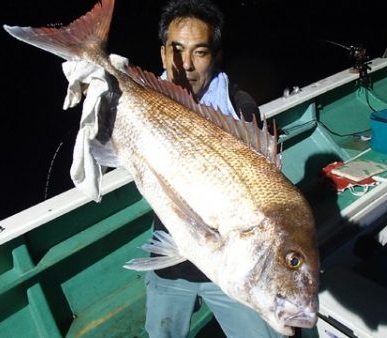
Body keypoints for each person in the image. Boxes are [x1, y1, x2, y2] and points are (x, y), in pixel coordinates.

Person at [144, 1, 285, 337]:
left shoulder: (241, 111)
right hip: (170, 255)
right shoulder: (142, 98)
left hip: (232, 267)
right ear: (163, 54)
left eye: (200, 52)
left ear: (216, 58)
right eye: (176, 50)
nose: (186, 65)